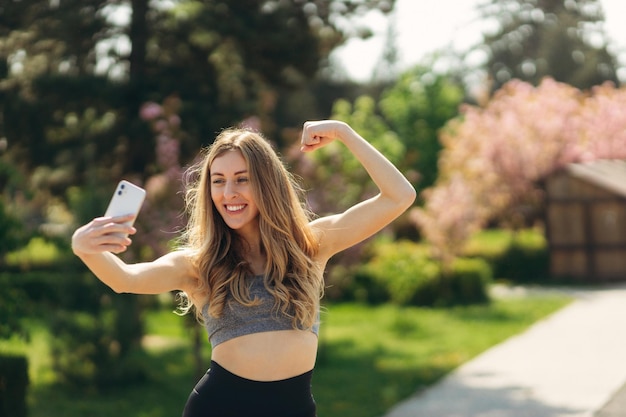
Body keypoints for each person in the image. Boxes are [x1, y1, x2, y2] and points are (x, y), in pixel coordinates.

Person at [71, 120, 416, 417]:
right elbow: (124, 280)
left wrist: (344, 132)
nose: (228, 192)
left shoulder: (310, 246)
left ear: (267, 183)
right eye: (218, 181)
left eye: (242, 178)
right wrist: (84, 248)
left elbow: (399, 196)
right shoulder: (197, 264)